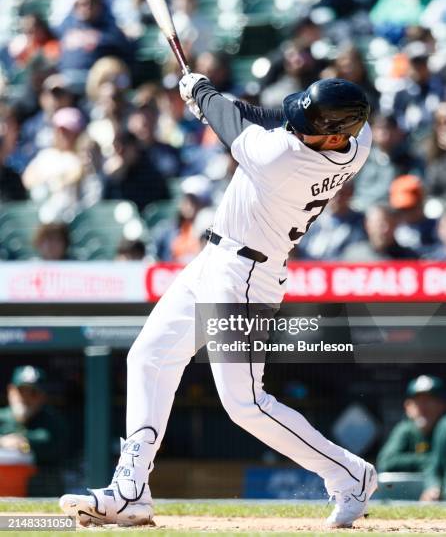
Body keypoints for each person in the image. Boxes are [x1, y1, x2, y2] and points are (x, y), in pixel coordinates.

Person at [60, 76, 376, 528]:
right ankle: (130, 491)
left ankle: (350, 475)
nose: (296, 125)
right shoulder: (356, 140)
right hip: (215, 262)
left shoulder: (282, 158)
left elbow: (234, 127)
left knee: (244, 403)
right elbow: (274, 118)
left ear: (333, 135)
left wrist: (204, 96)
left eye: (311, 124)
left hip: (245, 278)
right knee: (148, 357)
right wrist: (207, 98)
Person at [0, 366, 66, 496]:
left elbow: (49, 444)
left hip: (41, 494)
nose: (26, 397)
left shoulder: (52, 421)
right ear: (11, 391)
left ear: (42, 396)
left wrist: (23, 443)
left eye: (33, 392)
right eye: (22, 391)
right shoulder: (2, 417)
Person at [377, 375, 446, 478]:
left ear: (442, 405)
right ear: (408, 407)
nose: (423, 407)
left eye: (429, 401)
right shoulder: (406, 430)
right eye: (417, 402)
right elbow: (386, 461)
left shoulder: (443, 429)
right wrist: (430, 461)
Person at [298, 182, 366, 260]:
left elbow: (355, 252)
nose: (337, 198)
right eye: (333, 193)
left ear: (351, 194)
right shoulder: (311, 218)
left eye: (342, 193)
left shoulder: (359, 222)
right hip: (305, 266)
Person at [342, 203, 419, 260]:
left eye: (390, 224)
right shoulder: (354, 256)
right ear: (367, 225)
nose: (385, 229)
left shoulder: (409, 258)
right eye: (380, 224)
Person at [389, 175, 437, 254]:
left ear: (421, 203)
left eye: (410, 208)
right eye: (401, 209)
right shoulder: (389, 231)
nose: (406, 214)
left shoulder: (436, 229)